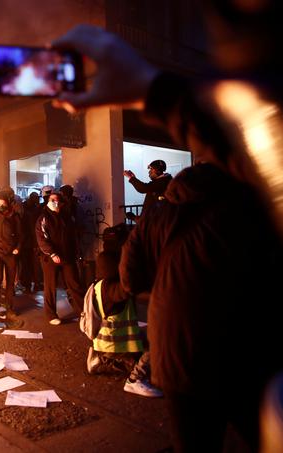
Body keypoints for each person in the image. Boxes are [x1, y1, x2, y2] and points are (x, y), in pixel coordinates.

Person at [52, 17, 283, 452]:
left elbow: (133, 276)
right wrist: (153, 92)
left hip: (181, 354)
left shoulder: (161, 211)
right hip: (247, 353)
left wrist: (152, 91)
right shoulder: (253, 198)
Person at [86, 251, 162, 398]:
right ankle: (135, 380)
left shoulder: (98, 284)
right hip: (115, 342)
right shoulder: (113, 289)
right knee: (156, 343)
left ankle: (100, 359)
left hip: (105, 340)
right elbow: (131, 289)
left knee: (140, 357)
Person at [35, 192, 85, 325]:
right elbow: (42, 238)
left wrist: (76, 253)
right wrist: (52, 253)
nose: (55, 202)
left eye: (57, 200)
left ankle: (82, 312)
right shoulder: (43, 218)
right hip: (50, 259)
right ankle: (51, 315)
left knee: (74, 284)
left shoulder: (67, 217)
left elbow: (73, 237)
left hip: (67, 256)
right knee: (50, 286)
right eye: (52, 200)